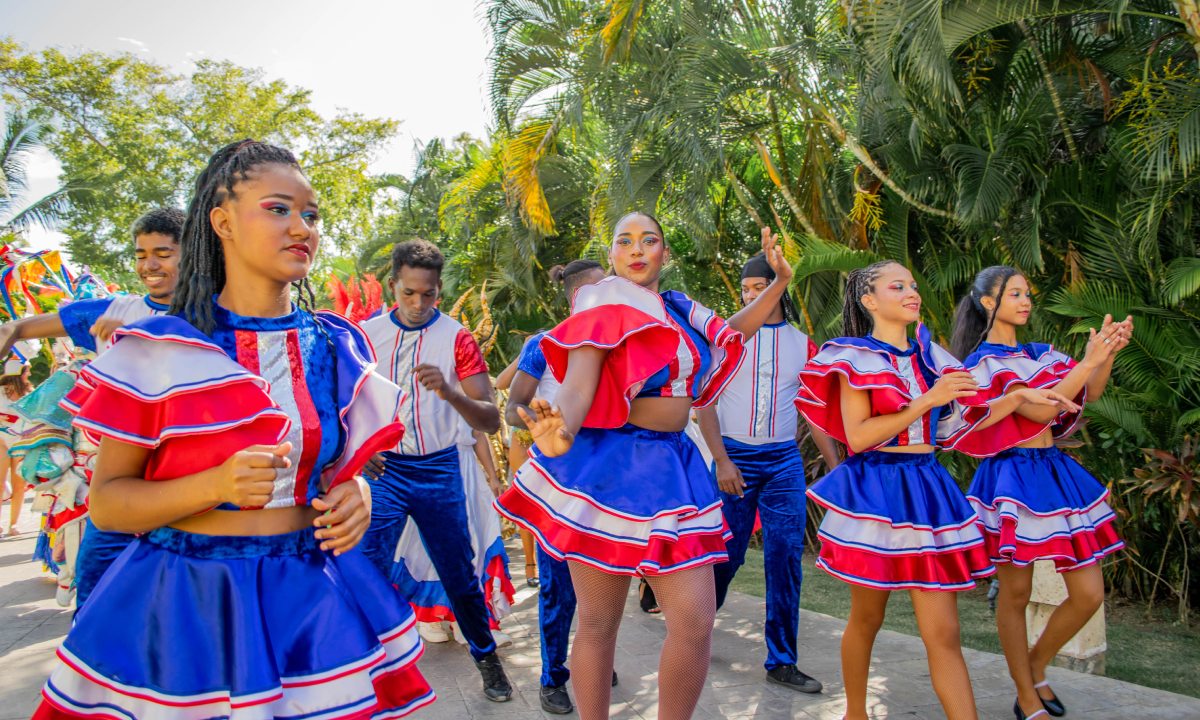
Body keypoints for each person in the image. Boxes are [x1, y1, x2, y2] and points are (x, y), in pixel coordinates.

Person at [32, 139, 434, 719]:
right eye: (278, 209)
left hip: (311, 594)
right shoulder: (159, 349)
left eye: (311, 214)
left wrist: (357, 494)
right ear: (221, 221)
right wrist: (213, 485)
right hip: (190, 602)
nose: (302, 227)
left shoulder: (336, 343)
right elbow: (110, 506)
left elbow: (330, 472)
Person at [496, 214, 792, 720]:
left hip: (674, 465)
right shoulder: (604, 301)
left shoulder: (678, 307)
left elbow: (733, 332)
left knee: (695, 622)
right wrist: (560, 432)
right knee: (597, 622)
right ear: (610, 255)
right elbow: (580, 384)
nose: (636, 249)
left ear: (664, 253)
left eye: (648, 240)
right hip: (609, 465)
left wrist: (782, 281)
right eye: (624, 241)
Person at [794, 260, 1078, 720]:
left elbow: (959, 429)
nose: (911, 291)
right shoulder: (853, 357)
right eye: (897, 285)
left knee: (944, 633)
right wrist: (926, 399)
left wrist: (1019, 398)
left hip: (928, 490)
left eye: (912, 284)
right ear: (870, 301)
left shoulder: (935, 358)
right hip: (876, 492)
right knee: (867, 619)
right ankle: (855, 714)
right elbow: (860, 436)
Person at [949, 266, 1131, 720]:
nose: (1026, 300)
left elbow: (1088, 391)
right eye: (1014, 294)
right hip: (1009, 478)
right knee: (1015, 593)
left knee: (1089, 593)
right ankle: (1026, 694)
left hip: (1052, 471)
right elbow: (1036, 413)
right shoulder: (981, 364)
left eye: (1027, 293)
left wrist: (1105, 354)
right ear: (988, 303)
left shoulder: (1039, 353)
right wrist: (1087, 360)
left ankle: (1033, 665)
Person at [359, 239, 513, 703]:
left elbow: (489, 418)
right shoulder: (364, 335)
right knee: (365, 567)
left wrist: (449, 392)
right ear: (393, 286)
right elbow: (345, 405)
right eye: (408, 293)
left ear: (439, 291)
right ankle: (361, 671)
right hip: (384, 470)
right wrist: (358, 447)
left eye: (428, 295)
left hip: (439, 469)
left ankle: (487, 659)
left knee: (458, 574)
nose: (418, 303)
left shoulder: (456, 338)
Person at [695, 252, 840, 694]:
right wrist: (721, 461)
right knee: (728, 554)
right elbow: (705, 403)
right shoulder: (727, 339)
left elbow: (814, 412)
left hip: (783, 461)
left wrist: (837, 471)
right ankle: (694, 629)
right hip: (734, 456)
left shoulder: (803, 344)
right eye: (746, 291)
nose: (751, 296)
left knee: (785, 559)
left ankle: (782, 660)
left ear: (779, 289)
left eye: (760, 288)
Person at [505, 259, 606, 714]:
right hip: (559, 482)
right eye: (605, 288)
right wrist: (544, 423)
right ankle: (553, 677)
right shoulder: (544, 345)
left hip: (608, 482)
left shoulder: (620, 343)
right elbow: (512, 408)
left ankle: (595, 659)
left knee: (602, 584)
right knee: (558, 586)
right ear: (578, 297)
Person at [0, 207, 184, 359]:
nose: (148, 266)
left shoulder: (211, 313)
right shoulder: (109, 311)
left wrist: (132, 339)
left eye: (163, 255)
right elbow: (14, 328)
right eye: (140, 256)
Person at [0, 359, 32, 536]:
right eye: (27, 371)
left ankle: (13, 524)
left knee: (19, 485)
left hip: (22, 441)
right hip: (2, 440)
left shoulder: (30, 393)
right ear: (19, 373)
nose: (29, 374)